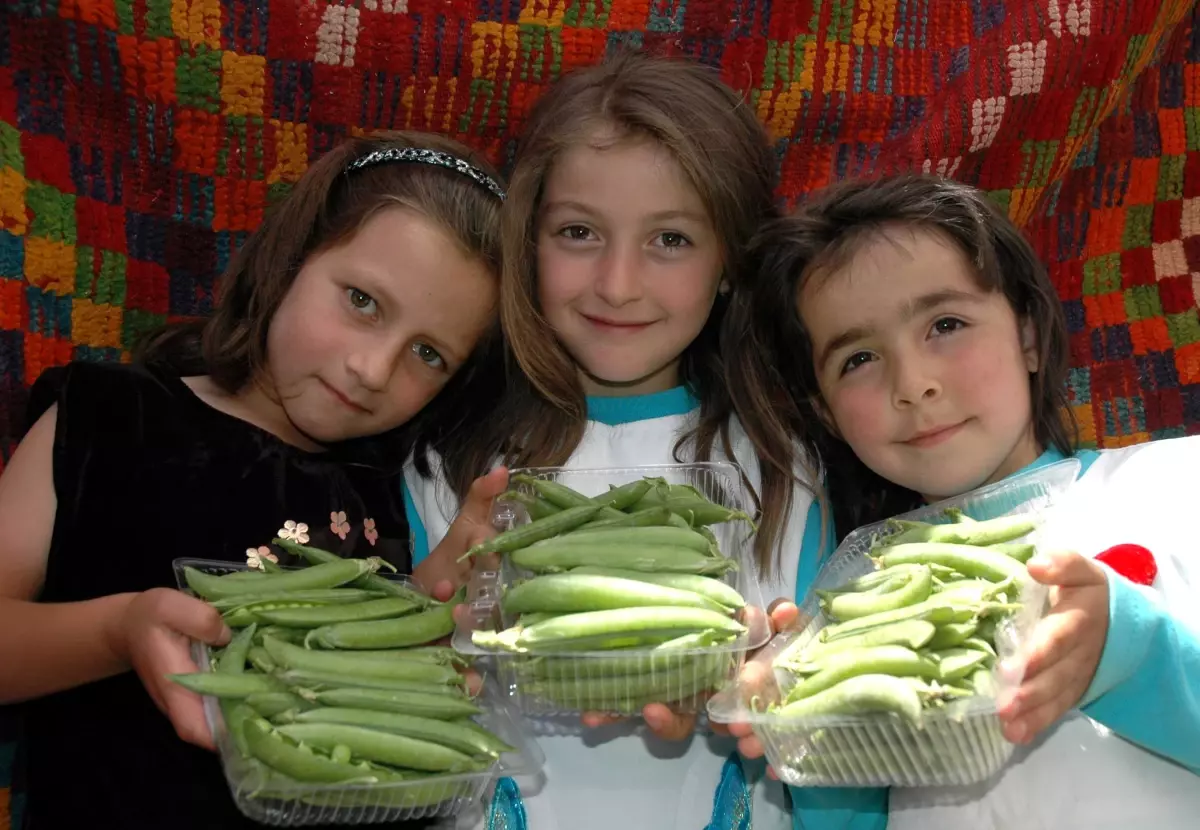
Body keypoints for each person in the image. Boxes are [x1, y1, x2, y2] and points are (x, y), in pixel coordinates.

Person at [0, 131, 511, 828]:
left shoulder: (388, 486)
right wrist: (118, 630)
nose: (375, 368)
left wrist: (425, 606)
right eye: (362, 300)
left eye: (428, 352)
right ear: (289, 260)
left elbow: (346, 685)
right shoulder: (107, 420)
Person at [403, 51, 819, 830]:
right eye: (579, 232)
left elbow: (823, 716)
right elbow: (404, 704)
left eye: (670, 240)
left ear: (731, 262)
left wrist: (769, 685)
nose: (618, 283)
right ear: (527, 243)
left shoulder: (785, 468)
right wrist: (427, 629)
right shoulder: (447, 462)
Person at [725, 173, 1200, 829]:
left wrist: (1131, 652)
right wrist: (815, 753)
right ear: (827, 416)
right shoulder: (849, 598)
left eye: (945, 324)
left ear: (1028, 336)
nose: (913, 384)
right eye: (858, 359)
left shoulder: (1175, 483)